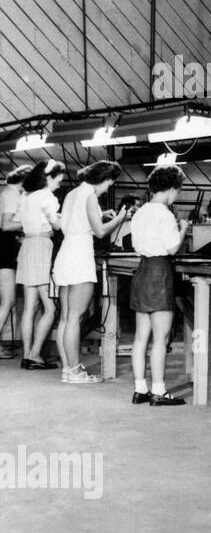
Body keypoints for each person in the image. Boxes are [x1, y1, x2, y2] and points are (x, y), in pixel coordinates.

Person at [53, 161, 133, 384]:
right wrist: (119, 218)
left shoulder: (73, 193)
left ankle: (68, 369)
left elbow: (76, 220)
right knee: (76, 318)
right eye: (109, 183)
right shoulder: (89, 195)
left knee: (67, 317)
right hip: (80, 256)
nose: (108, 188)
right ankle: (76, 372)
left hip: (66, 253)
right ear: (102, 179)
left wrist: (101, 213)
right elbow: (99, 232)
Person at [128, 165, 189, 407]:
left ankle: (140, 389)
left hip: (142, 271)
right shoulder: (165, 214)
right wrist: (183, 229)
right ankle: (159, 391)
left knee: (141, 336)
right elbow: (173, 248)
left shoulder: (140, 212)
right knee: (161, 338)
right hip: (160, 271)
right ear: (171, 189)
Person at [16, 161, 64, 370]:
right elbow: (57, 225)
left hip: (27, 245)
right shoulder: (48, 197)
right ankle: (36, 354)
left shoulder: (27, 197)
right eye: (59, 180)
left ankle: (27, 354)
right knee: (51, 307)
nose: (59, 184)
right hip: (42, 246)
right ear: (49, 177)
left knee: (29, 307)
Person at [0, 165, 32, 358]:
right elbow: (5, 225)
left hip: (6, 246)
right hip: (3, 247)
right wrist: (31, 220)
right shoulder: (12, 194)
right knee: (8, 300)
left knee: (7, 301)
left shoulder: (8, 192)